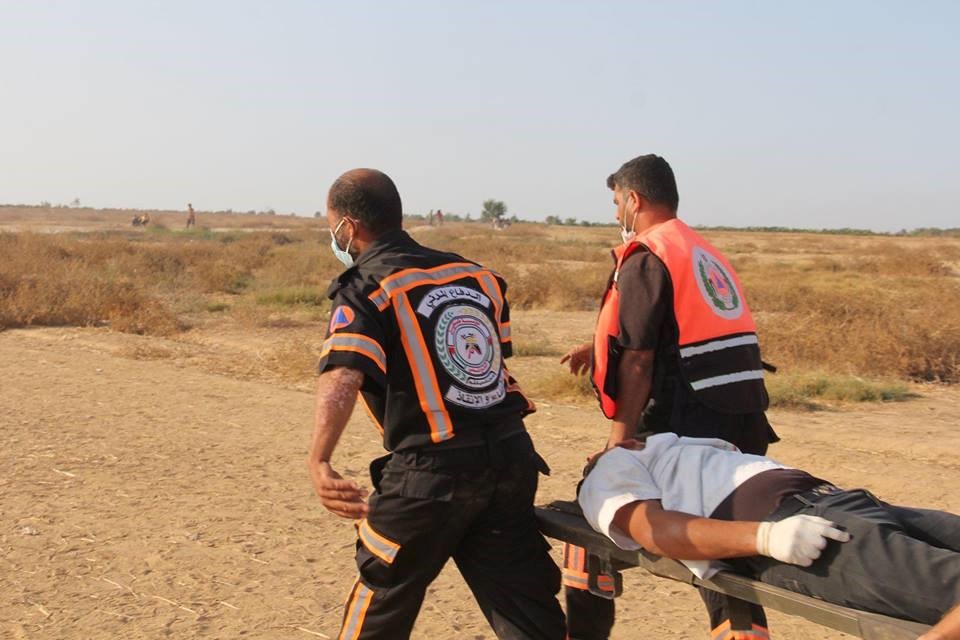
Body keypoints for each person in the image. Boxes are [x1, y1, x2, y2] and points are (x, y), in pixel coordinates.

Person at [306, 168, 565, 640]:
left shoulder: (366, 287)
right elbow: (483, 364)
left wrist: (319, 459)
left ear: (347, 226)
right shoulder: (477, 276)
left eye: (331, 226)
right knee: (526, 609)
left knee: (382, 599)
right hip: (511, 460)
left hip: (430, 474)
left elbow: (344, 373)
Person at [559, 154, 778, 639]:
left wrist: (618, 442)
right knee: (724, 546)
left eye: (617, 202)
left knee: (595, 507)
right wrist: (596, 349)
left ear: (634, 200)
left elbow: (639, 359)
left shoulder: (647, 254)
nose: (616, 213)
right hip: (743, 421)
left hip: (688, 423)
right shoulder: (702, 251)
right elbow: (685, 330)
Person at [577, 433, 960, 639]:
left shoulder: (679, 446)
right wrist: (768, 538)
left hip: (848, 502)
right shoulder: (607, 471)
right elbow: (654, 530)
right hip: (808, 533)